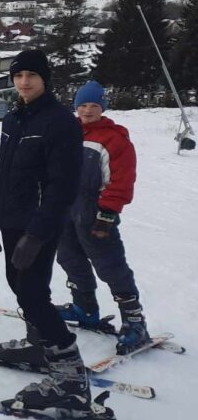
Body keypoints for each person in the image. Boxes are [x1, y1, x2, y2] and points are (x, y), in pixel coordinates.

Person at [0, 49, 90, 413]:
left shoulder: (61, 123)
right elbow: (4, 173)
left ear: (45, 79)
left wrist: (38, 233)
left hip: (39, 223)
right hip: (12, 219)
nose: (24, 82)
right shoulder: (14, 119)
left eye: (31, 75)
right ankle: (39, 346)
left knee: (33, 295)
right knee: (19, 286)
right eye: (18, 75)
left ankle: (71, 380)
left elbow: (63, 187)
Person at [56, 80, 149, 355]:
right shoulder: (68, 132)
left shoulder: (114, 140)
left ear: (103, 107)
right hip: (65, 209)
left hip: (95, 212)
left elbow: (122, 180)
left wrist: (107, 213)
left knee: (110, 265)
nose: (87, 110)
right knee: (69, 257)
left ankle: (135, 321)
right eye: (82, 105)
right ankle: (84, 308)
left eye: (94, 105)